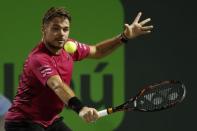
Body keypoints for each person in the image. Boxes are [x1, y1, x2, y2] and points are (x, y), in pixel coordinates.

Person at [4, 7, 153, 131]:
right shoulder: (38, 58)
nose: (61, 34)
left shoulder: (70, 46)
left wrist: (124, 37)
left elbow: (98, 51)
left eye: (65, 29)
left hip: (49, 120)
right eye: (55, 28)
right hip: (23, 123)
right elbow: (57, 85)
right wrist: (80, 108)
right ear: (43, 29)